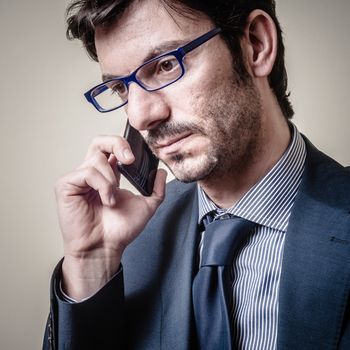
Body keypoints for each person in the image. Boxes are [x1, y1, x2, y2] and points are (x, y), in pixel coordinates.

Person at [43, 0, 350, 349]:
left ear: (256, 45)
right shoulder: (126, 244)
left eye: (165, 65)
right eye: (121, 88)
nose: (140, 116)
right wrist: (90, 262)